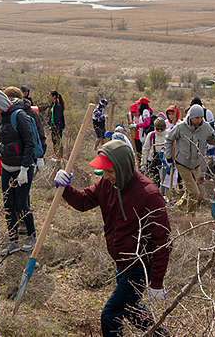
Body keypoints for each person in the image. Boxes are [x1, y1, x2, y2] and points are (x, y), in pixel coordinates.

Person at [54, 140, 171, 337]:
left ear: (122, 167)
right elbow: (83, 201)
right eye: (104, 171)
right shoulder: (106, 185)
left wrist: (156, 282)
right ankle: (162, 335)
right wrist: (66, 187)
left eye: (110, 171)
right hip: (121, 263)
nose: (105, 176)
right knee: (131, 309)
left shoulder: (148, 194)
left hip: (140, 266)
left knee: (110, 314)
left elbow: (162, 240)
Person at [0, 88, 37, 256]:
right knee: (8, 206)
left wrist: (24, 168)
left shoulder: (19, 116)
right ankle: (13, 241)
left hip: (22, 169)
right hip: (7, 167)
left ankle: (31, 236)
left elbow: (29, 143)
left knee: (22, 204)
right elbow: (7, 141)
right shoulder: (1, 118)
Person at [165, 104, 215, 214]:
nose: (199, 120)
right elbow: (169, 139)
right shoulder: (181, 127)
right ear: (191, 117)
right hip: (182, 163)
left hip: (196, 164)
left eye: (201, 117)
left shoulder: (206, 127)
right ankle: (191, 216)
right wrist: (169, 157)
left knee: (191, 190)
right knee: (195, 192)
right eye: (197, 118)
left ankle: (177, 208)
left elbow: (212, 141)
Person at [141, 117, 168, 181]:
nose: (159, 130)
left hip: (164, 162)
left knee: (164, 182)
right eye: (157, 129)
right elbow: (145, 150)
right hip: (152, 161)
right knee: (153, 181)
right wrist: (143, 164)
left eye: (161, 129)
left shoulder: (168, 135)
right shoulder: (151, 135)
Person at [47, 90, 66, 159]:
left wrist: (53, 127)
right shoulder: (52, 105)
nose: (49, 97)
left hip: (57, 127)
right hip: (53, 127)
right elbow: (51, 116)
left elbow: (58, 119)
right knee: (54, 142)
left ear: (54, 96)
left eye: (50, 95)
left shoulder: (58, 106)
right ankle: (56, 155)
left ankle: (60, 157)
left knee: (58, 142)